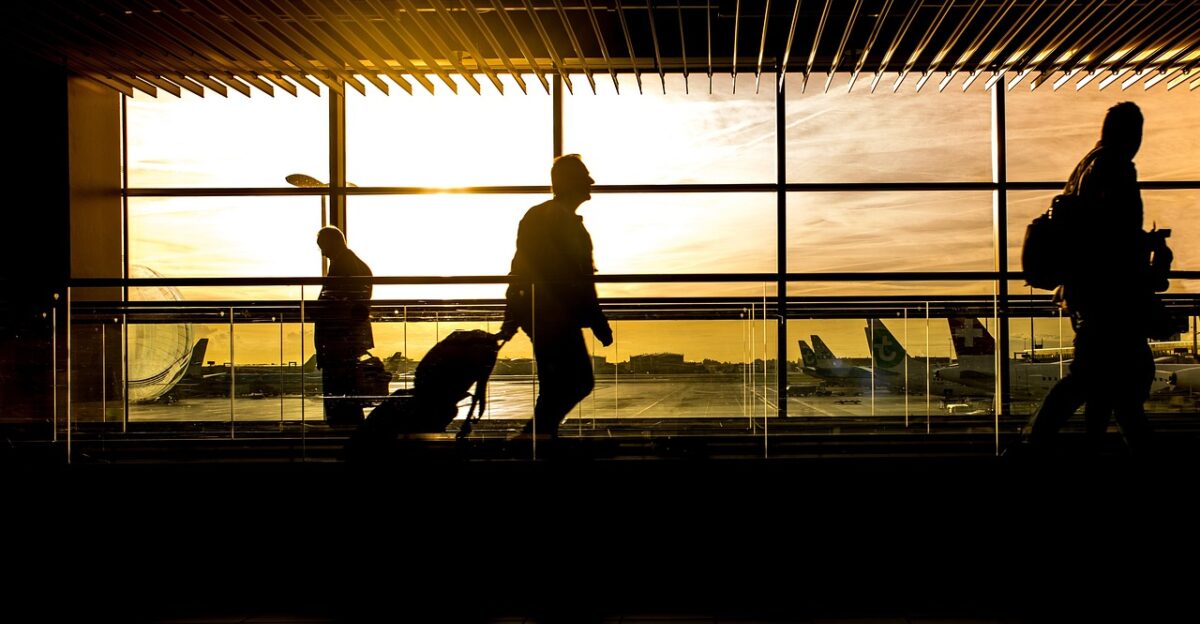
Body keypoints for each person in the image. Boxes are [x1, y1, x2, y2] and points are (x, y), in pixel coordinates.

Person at [1023, 102, 1156, 453]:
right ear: (1131, 134)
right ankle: (1037, 442)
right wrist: (1145, 247)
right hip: (1108, 295)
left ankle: (1046, 443)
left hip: (1085, 292)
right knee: (1108, 380)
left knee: (1100, 380)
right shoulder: (1116, 167)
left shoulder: (1085, 167)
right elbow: (1115, 236)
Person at [497, 154, 614, 439]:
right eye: (585, 176)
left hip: (543, 313)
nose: (591, 181)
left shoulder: (543, 217)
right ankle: (535, 438)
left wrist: (512, 315)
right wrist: (598, 322)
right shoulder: (561, 221)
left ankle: (538, 439)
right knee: (578, 381)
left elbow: (521, 268)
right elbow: (578, 280)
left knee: (557, 384)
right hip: (554, 316)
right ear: (571, 182)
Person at [314, 226, 374, 426]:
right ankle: (351, 435)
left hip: (338, 343)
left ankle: (344, 436)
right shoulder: (357, 265)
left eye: (323, 246)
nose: (323, 253)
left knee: (339, 401)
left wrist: (318, 311)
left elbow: (338, 305)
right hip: (348, 343)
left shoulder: (343, 266)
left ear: (333, 242)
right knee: (349, 401)